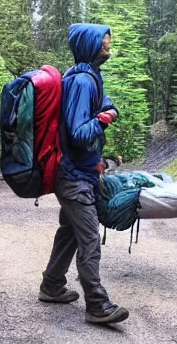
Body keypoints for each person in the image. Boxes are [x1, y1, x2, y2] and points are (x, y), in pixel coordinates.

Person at [38, 23, 129, 324]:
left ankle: (52, 285)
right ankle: (97, 305)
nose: (108, 45)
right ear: (89, 45)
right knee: (89, 238)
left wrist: (99, 159)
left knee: (70, 233)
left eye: (108, 40)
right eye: (103, 40)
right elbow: (78, 133)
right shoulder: (82, 82)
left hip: (79, 172)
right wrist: (104, 119)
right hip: (74, 177)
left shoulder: (85, 77)